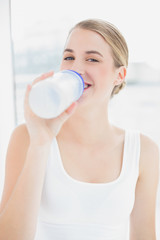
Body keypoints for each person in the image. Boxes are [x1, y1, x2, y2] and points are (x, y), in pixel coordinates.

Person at [0, 19, 159, 240]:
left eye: (92, 59)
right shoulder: (27, 137)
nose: (76, 68)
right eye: (69, 57)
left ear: (120, 76)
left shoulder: (144, 151)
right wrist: (41, 144)